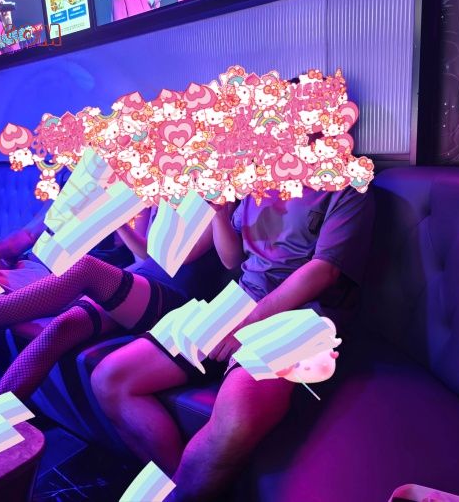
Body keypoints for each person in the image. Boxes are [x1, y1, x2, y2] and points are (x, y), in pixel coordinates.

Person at [91, 184, 375, 501]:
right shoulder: (259, 180)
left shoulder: (348, 189)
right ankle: (180, 488)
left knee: (238, 419)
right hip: (241, 298)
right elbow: (232, 260)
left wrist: (248, 324)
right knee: (111, 379)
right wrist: (219, 215)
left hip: (305, 313)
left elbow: (324, 271)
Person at [0, 204, 224, 401]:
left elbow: (177, 257)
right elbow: (141, 254)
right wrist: (121, 219)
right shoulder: (156, 190)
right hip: (140, 284)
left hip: (178, 297)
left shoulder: (213, 195)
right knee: (62, 327)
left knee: (86, 268)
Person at [0, 169, 133, 293]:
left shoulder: (125, 208)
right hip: (21, 261)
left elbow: (135, 261)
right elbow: (28, 235)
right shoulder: (72, 189)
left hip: (50, 275)